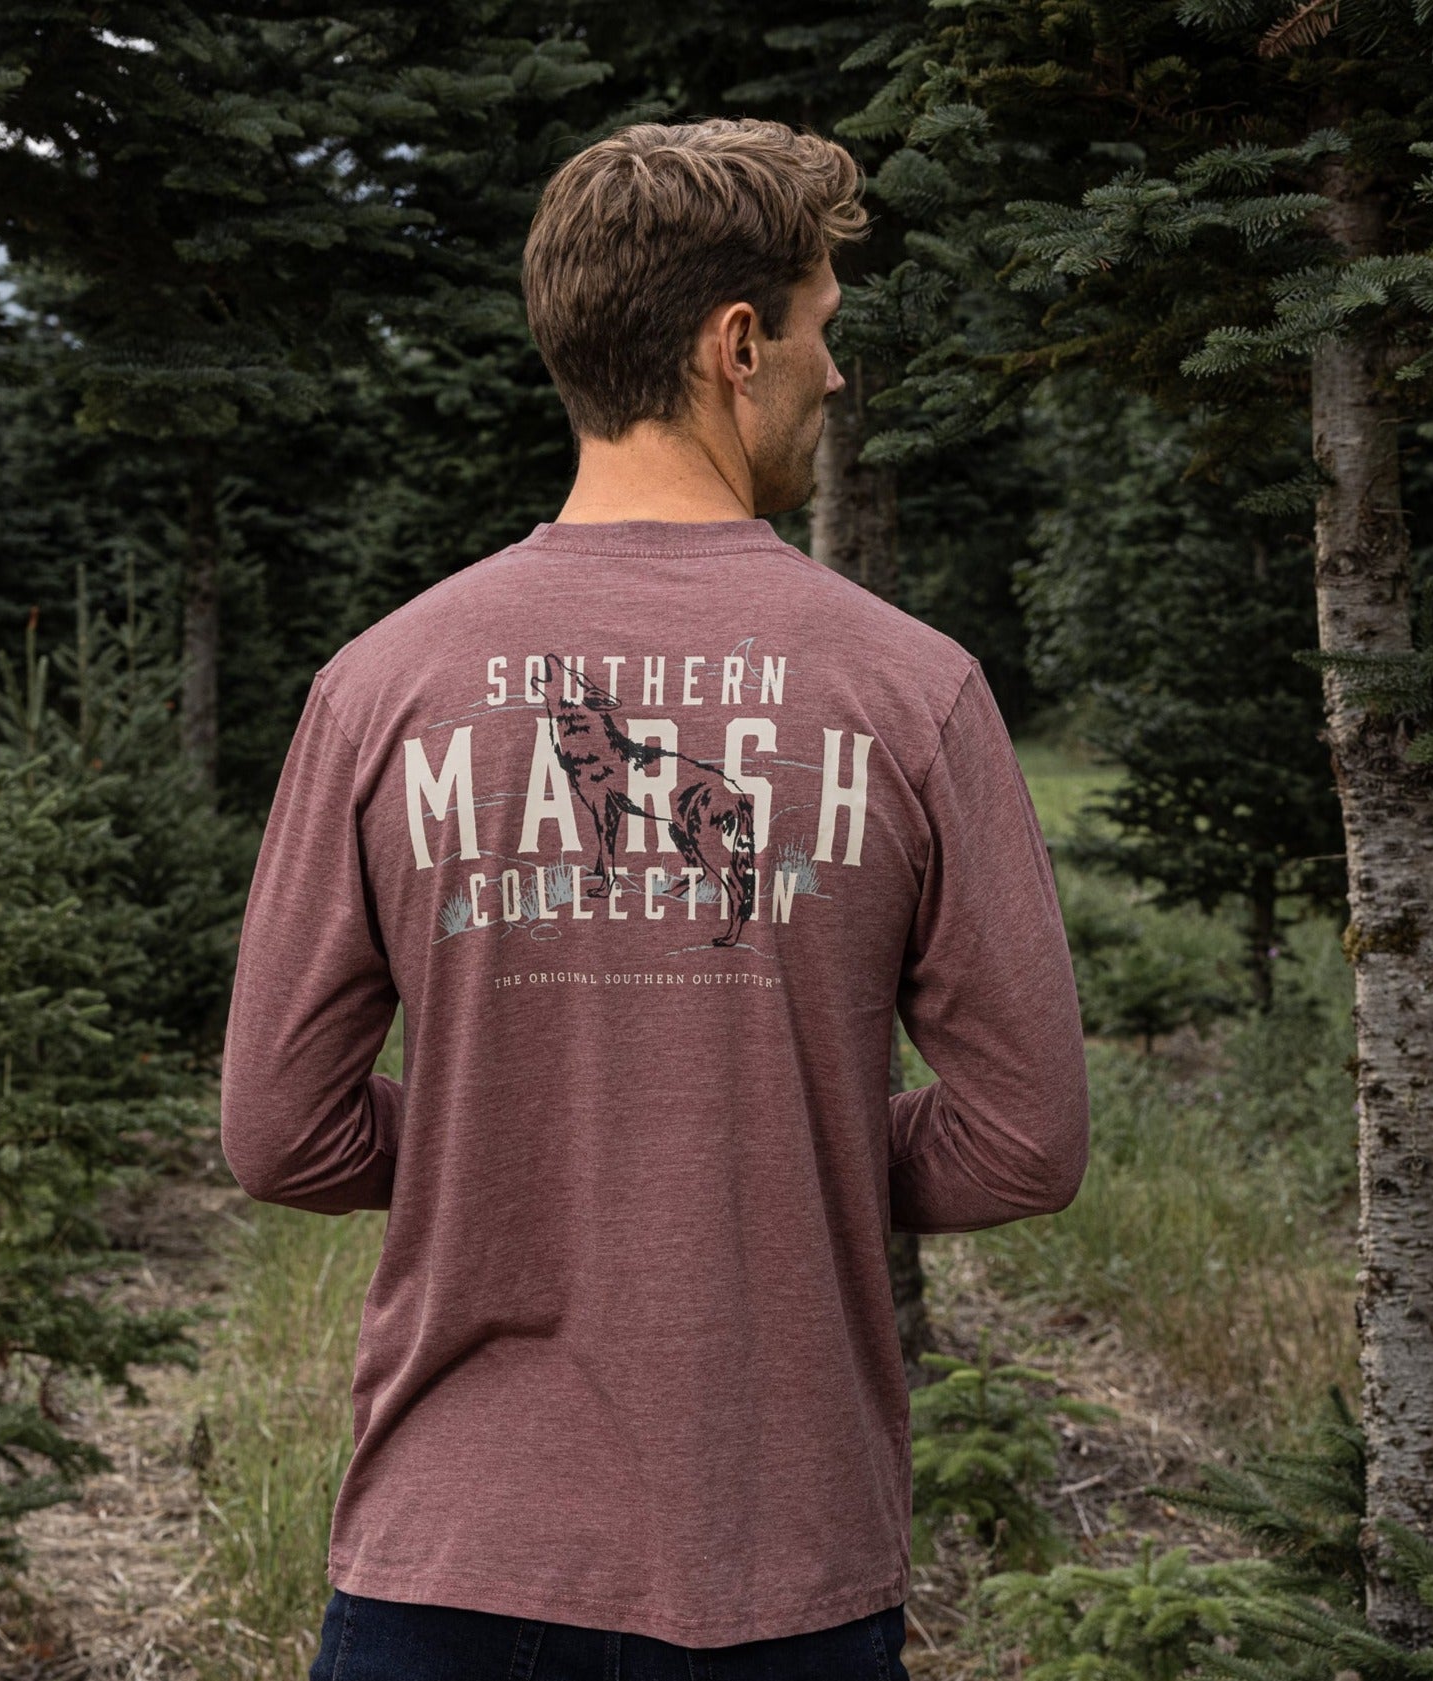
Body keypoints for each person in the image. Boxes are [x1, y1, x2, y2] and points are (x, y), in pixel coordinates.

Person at [220, 116, 1090, 1681]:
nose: (837, 376)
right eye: (822, 330)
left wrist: (515, 1144)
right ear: (735, 344)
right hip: (775, 1560)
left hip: (449, 1559)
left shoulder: (381, 687)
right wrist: (774, 1144)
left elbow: (280, 1134)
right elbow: (1024, 1139)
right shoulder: (914, 691)